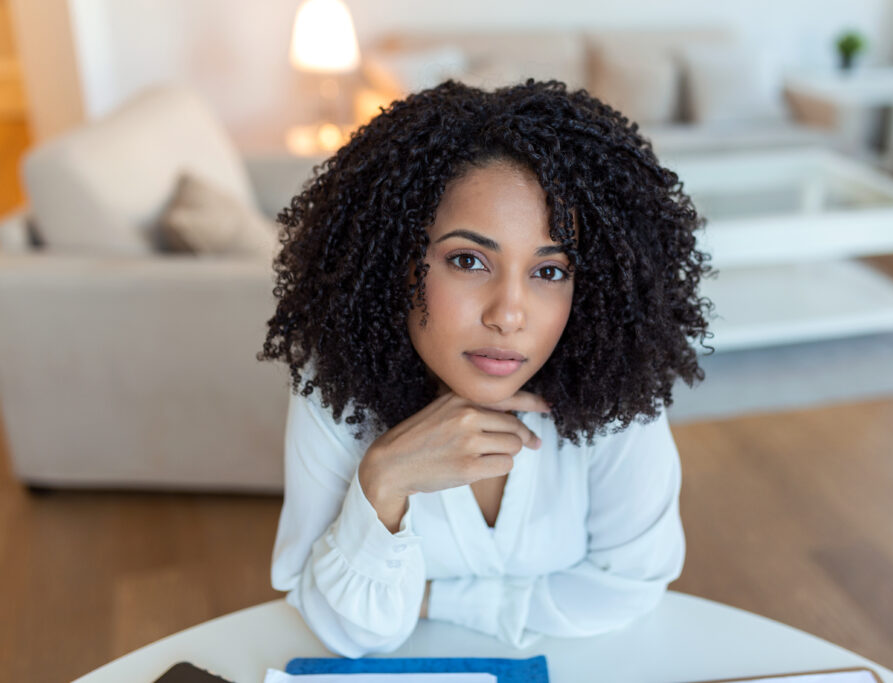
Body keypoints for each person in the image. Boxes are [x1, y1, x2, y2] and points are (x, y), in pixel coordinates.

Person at [257, 78, 716, 658]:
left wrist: (439, 601)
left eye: (549, 271)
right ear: (395, 260)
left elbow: (631, 586)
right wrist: (385, 480)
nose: (508, 315)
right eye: (468, 260)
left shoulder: (612, 394)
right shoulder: (334, 394)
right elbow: (343, 630)